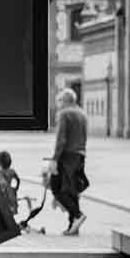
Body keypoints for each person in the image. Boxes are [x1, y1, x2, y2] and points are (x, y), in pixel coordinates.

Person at [49, 87, 90, 237]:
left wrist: (55, 159)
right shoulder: (82, 114)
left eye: (59, 101)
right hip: (80, 155)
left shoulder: (64, 114)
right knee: (72, 190)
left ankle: (77, 215)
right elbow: (84, 136)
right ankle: (73, 226)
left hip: (67, 155)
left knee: (56, 187)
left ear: (64, 101)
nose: (58, 105)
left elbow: (61, 139)